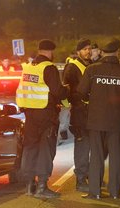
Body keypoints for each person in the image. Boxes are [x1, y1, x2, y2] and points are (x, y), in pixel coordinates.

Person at [77, 38, 120, 200]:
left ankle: (94, 192)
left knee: (96, 155)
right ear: (118, 53)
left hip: (96, 119)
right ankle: (115, 192)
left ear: (102, 52)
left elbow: (81, 92)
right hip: (116, 121)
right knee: (116, 156)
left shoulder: (92, 70)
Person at [16, 39, 69, 198]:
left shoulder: (28, 67)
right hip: (46, 114)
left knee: (30, 148)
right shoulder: (49, 68)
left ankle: (30, 185)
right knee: (46, 149)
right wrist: (67, 90)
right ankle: (42, 187)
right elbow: (58, 92)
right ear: (50, 51)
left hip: (30, 115)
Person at [62, 38, 92, 192]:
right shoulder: (72, 67)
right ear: (78, 51)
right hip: (79, 114)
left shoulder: (91, 66)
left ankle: (91, 177)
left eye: (89, 48)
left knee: (93, 146)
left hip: (91, 113)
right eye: (85, 49)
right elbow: (67, 90)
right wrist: (76, 101)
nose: (88, 51)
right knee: (82, 147)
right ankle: (81, 180)